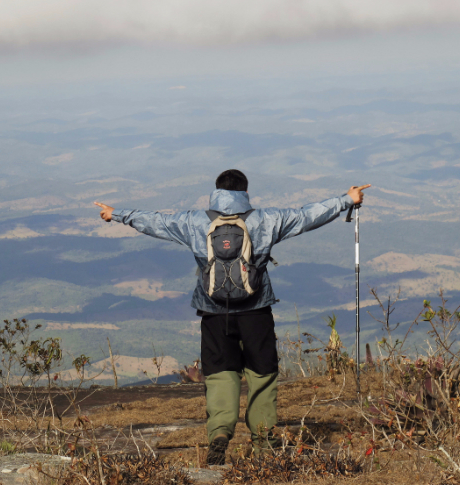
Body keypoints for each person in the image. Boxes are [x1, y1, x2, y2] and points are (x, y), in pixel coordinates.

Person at [95, 169, 370, 464]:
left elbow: (156, 222)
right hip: (256, 311)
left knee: (219, 375)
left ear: (216, 192)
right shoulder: (266, 219)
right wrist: (346, 199)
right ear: (245, 192)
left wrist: (117, 214)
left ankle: (219, 435)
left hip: (213, 312)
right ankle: (264, 443)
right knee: (261, 375)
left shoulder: (194, 222)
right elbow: (306, 216)